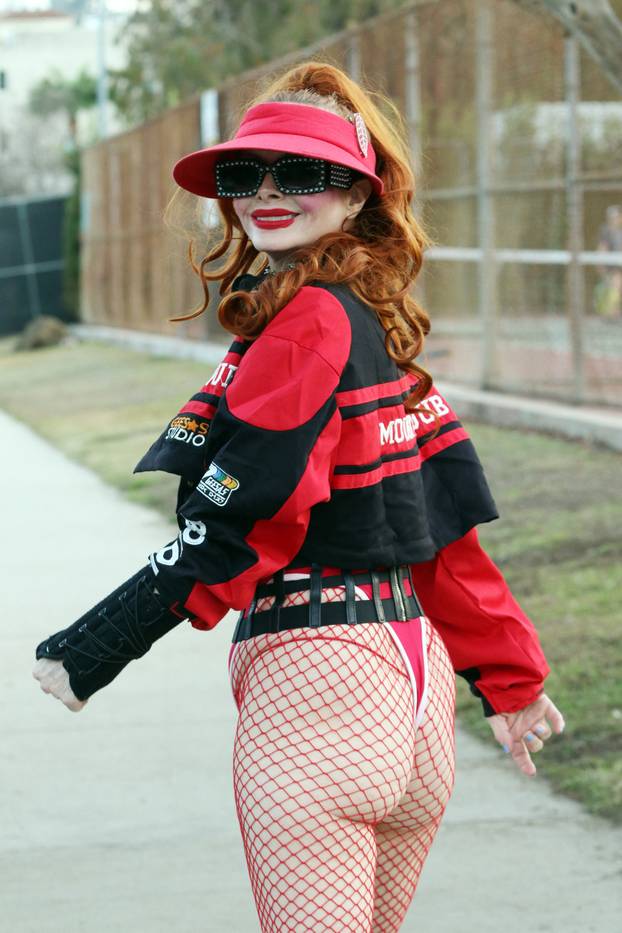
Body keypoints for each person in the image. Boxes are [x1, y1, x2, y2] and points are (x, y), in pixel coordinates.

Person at [32, 62, 565, 933]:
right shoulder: (377, 325)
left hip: (322, 688)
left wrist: (98, 642)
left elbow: (242, 522)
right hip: (416, 693)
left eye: (304, 173)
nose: (267, 194)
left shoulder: (311, 321)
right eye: (246, 175)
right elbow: (442, 543)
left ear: (358, 196)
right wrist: (511, 679)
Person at [594, 205, 622, 318]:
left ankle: (614, 310)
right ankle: (611, 311)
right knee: (616, 283)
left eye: (616, 216)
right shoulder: (606, 231)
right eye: (612, 217)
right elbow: (602, 249)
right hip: (612, 267)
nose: (614, 219)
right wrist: (600, 266)